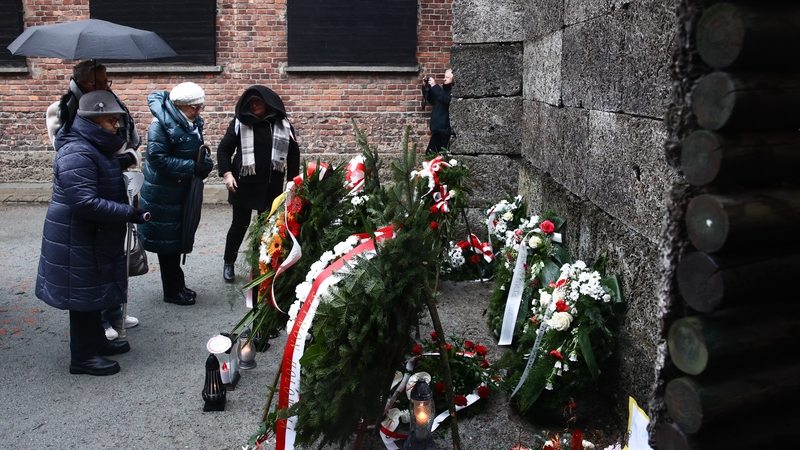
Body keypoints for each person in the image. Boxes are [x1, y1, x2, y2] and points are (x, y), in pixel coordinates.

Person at [36, 90, 149, 376]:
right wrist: (126, 212)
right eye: (111, 120)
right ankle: (82, 357)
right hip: (78, 235)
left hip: (92, 233)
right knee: (82, 295)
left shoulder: (95, 146)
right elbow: (83, 202)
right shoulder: (78, 150)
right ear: (92, 120)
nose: (116, 126)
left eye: (117, 120)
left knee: (93, 290)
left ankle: (96, 340)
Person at [45, 59, 141, 341]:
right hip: (88, 206)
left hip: (108, 193)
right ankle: (94, 334)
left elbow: (127, 136)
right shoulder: (66, 112)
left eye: (106, 81)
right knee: (85, 276)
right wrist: (113, 162)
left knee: (109, 265)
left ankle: (111, 316)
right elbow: (79, 185)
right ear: (82, 82)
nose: (103, 86)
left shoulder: (111, 105)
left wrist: (122, 158)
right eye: (97, 82)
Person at [137, 82, 214, 306]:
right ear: (180, 105)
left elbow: (196, 148)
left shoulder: (189, 120)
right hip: (163, 193)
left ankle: (177, 285)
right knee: (167, 243)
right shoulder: (160, 125)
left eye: (200, 106)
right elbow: (158, 159)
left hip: (178, 190)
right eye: (195, 107)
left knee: (174, 238)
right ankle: (172, 290)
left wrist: (204, 163)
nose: (199, 111)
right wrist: (192, 168)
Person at [217, 85, 300, 282]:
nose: (254, 105)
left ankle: (259, 263)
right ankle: (229, 262)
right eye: (251, 103)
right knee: (239, 225)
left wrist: (292, 183)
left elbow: (293, 154)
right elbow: (223, 150)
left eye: (258, 102)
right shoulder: (239, 123)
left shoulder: (283, 125)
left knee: (266, 227)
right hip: (243, 185)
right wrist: (227, 174)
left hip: (271, 186)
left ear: (267, 103)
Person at [422, 69, 454, 155]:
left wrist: (435, 86)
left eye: (447, 77)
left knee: (444, 157)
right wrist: (426, 87)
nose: (444, 79)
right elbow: (432, 99)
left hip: (445, 131)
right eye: (444, 77)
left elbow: (447, 100)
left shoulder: (453, 92)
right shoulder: (443, 91)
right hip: (437, 130)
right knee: (430, 156)